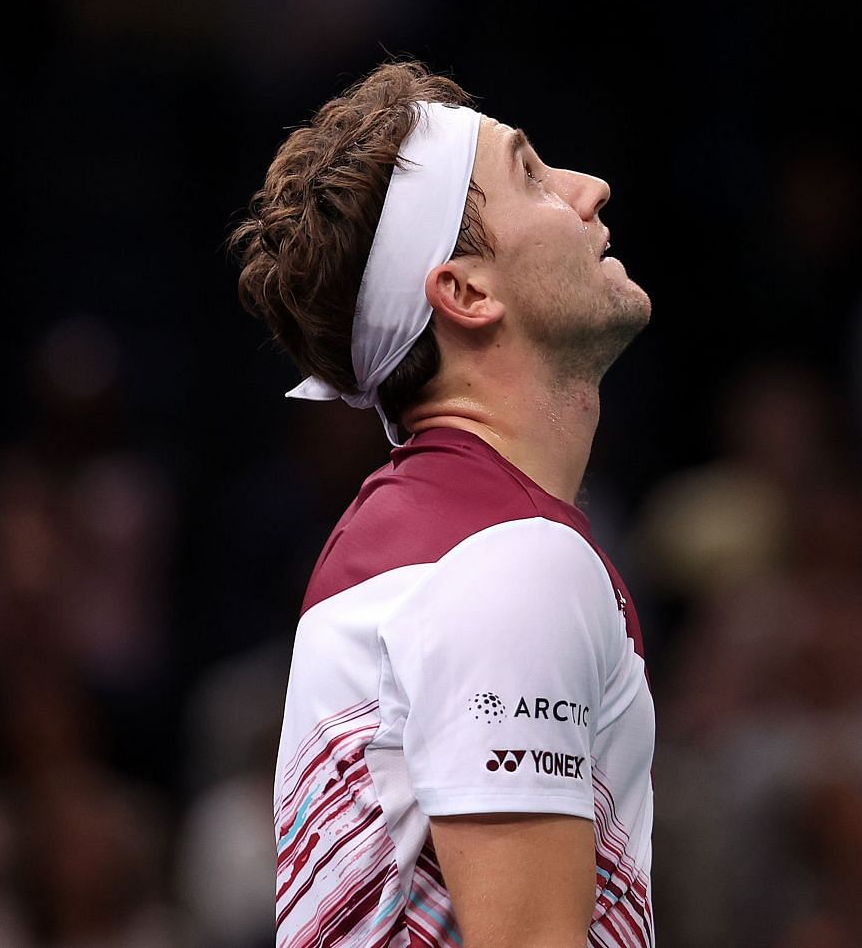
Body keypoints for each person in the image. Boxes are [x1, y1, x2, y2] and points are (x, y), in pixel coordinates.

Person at [230, 61, 655, 948]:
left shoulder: (413, 545)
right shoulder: (508, 561)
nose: (589, 189)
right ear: (464, 290)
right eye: (531, 176)